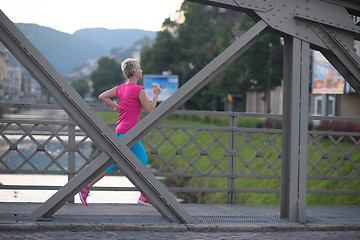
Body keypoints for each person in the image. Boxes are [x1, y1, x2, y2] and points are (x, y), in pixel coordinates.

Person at [79, 58, 161, 207]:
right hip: (130, 132)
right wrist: (156, 95)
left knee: (113, 162)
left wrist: (115, 106)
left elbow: (102, 96)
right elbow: (149, 110)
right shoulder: (139, 90)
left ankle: (86, 187)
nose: (142, 71)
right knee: (141, 161)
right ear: (135, 72)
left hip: (120, 129)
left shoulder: (120, 88)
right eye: (140, 68)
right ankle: (144, 196)